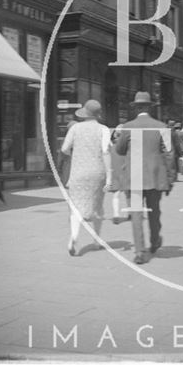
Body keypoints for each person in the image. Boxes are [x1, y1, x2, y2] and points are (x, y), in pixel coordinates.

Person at [115, 92, 176, 265]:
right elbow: (169, 153)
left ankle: (140, 251)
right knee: (154, 211)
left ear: (136, 108)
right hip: (155, 175)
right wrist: (170, 177)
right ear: (150, 107)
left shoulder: (128, 126)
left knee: (136, 214)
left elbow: (119, 149)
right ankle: (155, 241)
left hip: (133, 176)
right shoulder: (161, 126)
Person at [61, 100, 112, 257]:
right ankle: (96, 240)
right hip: (97, 173)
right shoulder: (103, 129)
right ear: (98, 114)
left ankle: (74, 238)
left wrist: (76, 156)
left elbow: (64, 148)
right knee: (97, 207)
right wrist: (110, 177)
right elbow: (106, 152)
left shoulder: (75, 127)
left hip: (78, 173)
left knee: (76, 208)